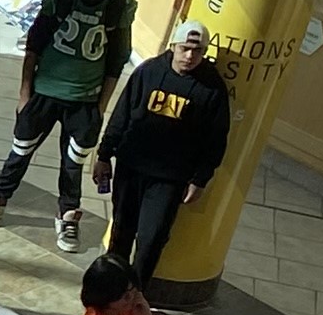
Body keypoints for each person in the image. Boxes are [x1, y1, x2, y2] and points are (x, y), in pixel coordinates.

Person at [0, 0, 130, 241]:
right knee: (20, 149)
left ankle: (68, 214)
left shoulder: (119, 6)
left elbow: (117, 59)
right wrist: (25, 92)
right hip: (44, 92)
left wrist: (101, 106)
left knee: (73, 162)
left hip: (84, 100)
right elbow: (34, 43)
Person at [94, 20, 232, 283]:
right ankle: (111, 286)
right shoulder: (149, 72)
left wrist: (200, 179)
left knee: (152, 237)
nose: (190, 56)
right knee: (122, 229)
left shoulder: (212, 87)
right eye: (185, 49)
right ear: (173, 47)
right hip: (131, 167)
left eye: (198, 51)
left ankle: (136, 292)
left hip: (170, 178)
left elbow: (215, 139)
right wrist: (104, 155)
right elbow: (121, 115)